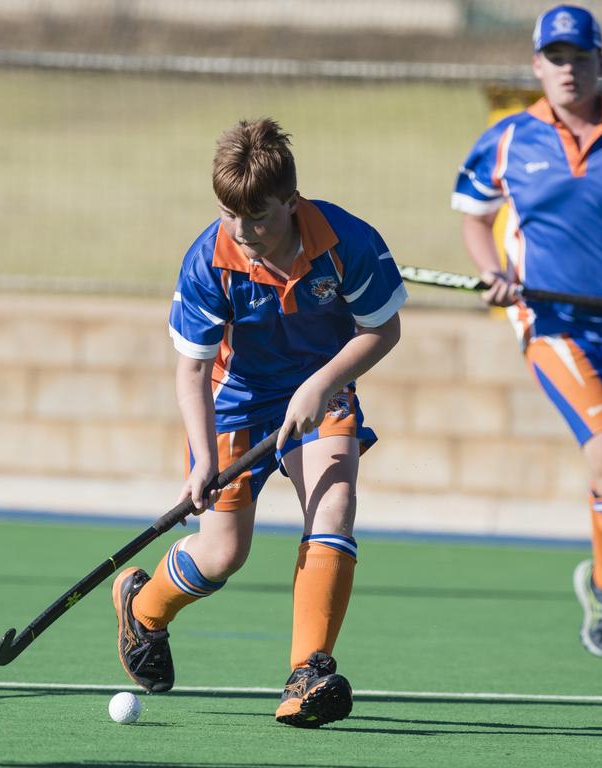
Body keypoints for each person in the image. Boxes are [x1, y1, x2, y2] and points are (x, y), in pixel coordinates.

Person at [112, 117, 405, 728]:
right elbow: (191, 373)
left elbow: (383, 329)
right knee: (222, 554)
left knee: (335, 502)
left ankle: (308, 674)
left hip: (319, 390)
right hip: (235, 400)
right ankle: (143, 609)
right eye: (230, 213)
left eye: (261, 217)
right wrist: (203, 463)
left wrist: (321, 383)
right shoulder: (208, 259)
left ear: (292, 203)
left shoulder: (346, 241)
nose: (244, 232)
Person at [452, 5, 602, 665]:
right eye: (555, 57)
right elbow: (473, 214)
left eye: (580, 57)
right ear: (536, 67)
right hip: (550, 324)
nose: (568, 69)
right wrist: (493, 271)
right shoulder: (508, 139)